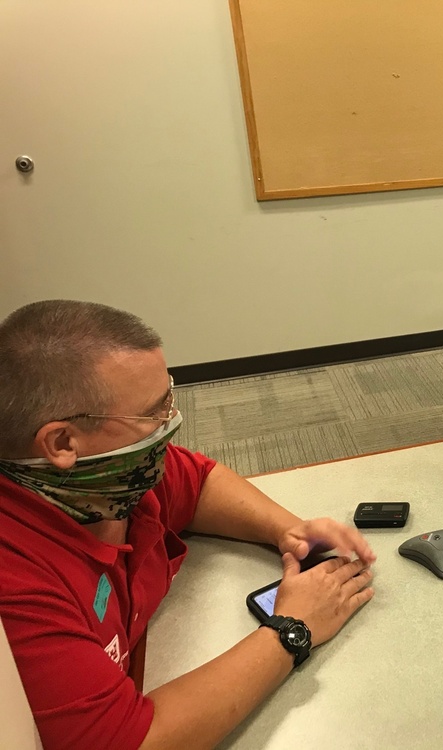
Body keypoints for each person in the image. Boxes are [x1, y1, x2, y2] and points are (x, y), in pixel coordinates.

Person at [0, 300, 377, 750]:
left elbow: (196, 482)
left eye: (170, 398)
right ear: (62, 442)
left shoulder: (106, 484)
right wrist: (292, 628)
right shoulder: (16, 583)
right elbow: (131, 741)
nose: (172, 423)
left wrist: (287, 530)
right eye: (153, 413)